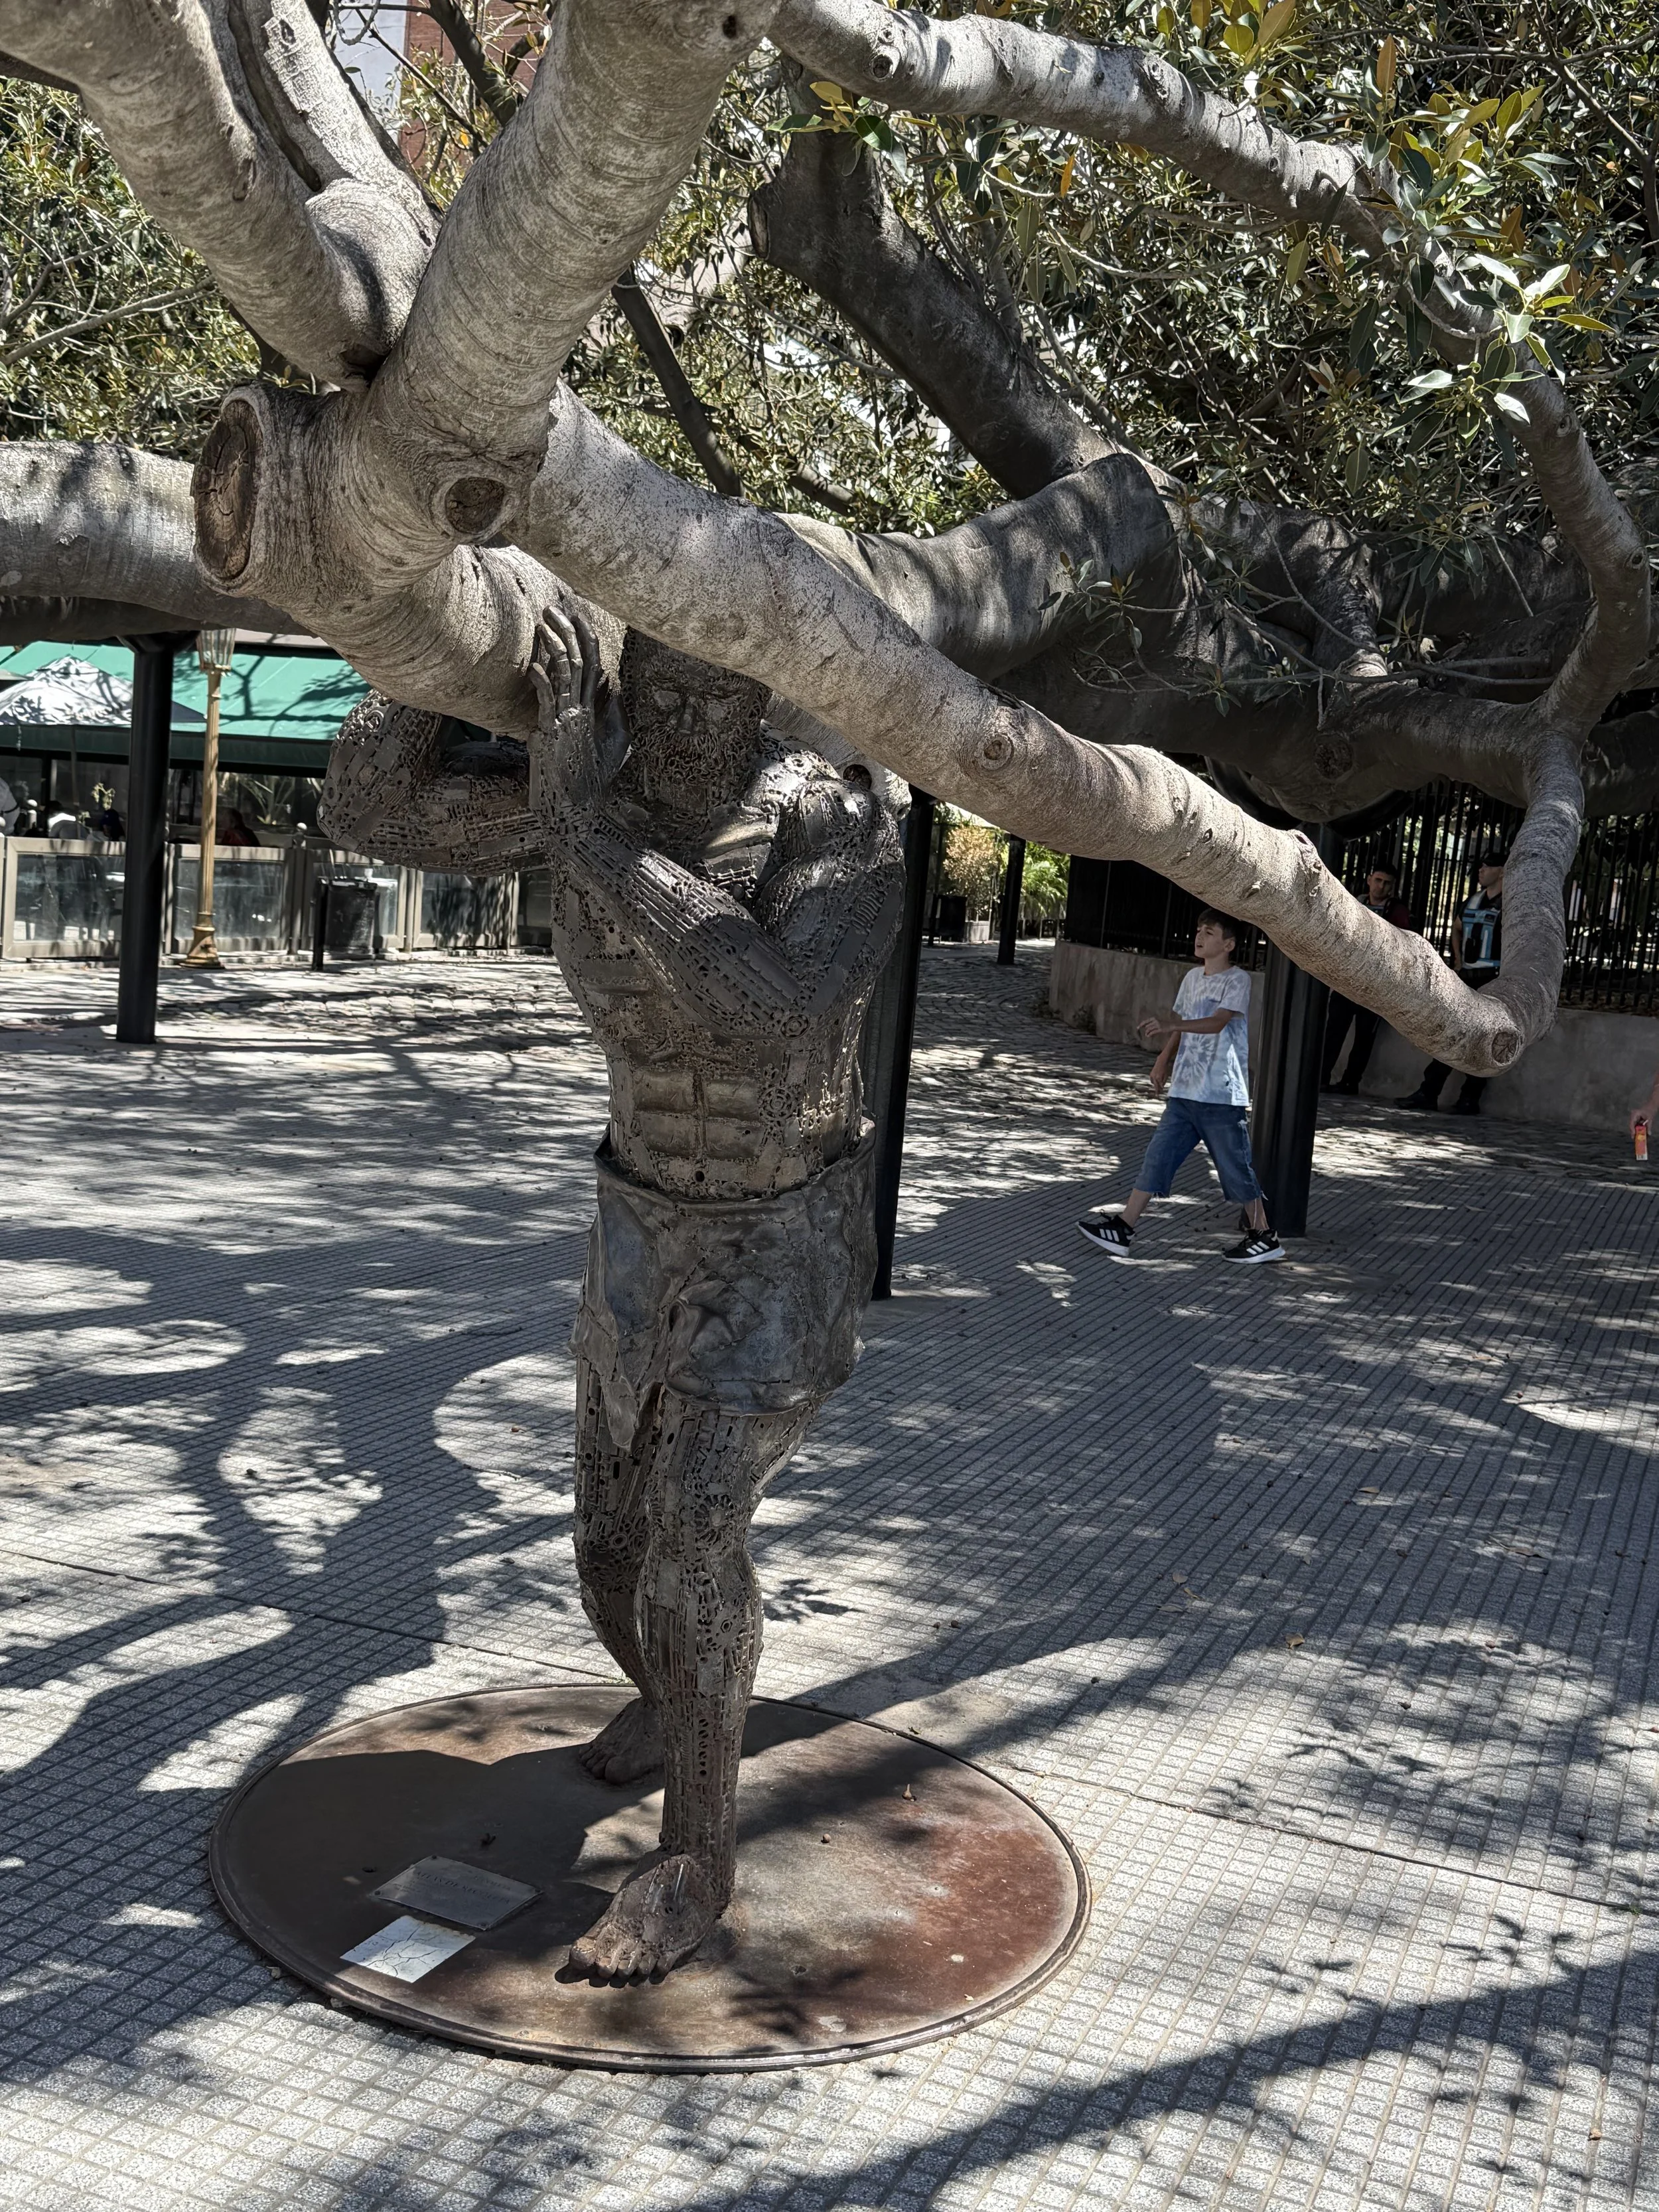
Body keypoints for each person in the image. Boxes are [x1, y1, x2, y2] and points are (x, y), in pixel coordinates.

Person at [319, 612, 904, 1982]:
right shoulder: (601, 791)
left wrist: (586, 835)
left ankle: (697, 1856)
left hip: (778, 1231)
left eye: (722, 695)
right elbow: (369, 806)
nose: (694, 725)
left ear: (763, 684)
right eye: (668, 696)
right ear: (631, 686)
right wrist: (454, 645)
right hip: (637, 1222)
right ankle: (674, 1697)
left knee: (698, 1522)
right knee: (609, 1544)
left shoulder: (833, 824)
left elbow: (772, 1007)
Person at [1078, 910, 1282, 1264]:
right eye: (1198, 930)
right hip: (1185, 1091)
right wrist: (1163, 1060)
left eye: (1209, 932)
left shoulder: (1238, 981)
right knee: (1157, 1157)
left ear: (1229, 944)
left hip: (1220, 1094)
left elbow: (1217, 1023)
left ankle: (1264, 1235)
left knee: (1236, 1169)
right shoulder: (1190, 978)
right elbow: (1181, 1027)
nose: (1200, 937)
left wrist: (1173, 1024)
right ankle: (1124, 1227)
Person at [1396, 848, 1505, 1114]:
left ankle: (1470, 1098)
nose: (1481, 870)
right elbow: (1457, 927)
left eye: (1487, 866)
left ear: (1502, 871)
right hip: (1467, 977)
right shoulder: (1474, 900)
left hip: (1492, 978)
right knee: (1450, 1036)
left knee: (1483, 1040)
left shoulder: (1510, 903)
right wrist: (1457, 960)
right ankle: (1428, 1092)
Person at [1321, 862, 1412, 1095]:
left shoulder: (1397, 910)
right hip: (1347, 978)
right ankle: (1321, 1077)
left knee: (1364, 1037)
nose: (1381, 887)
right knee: (1334, 1031)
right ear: (1369, 879)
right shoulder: (1355, 902)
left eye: (1387, 883)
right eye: (1378, 880)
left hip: (1377, 983)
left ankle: (1350, 1082)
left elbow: (1403, 943)